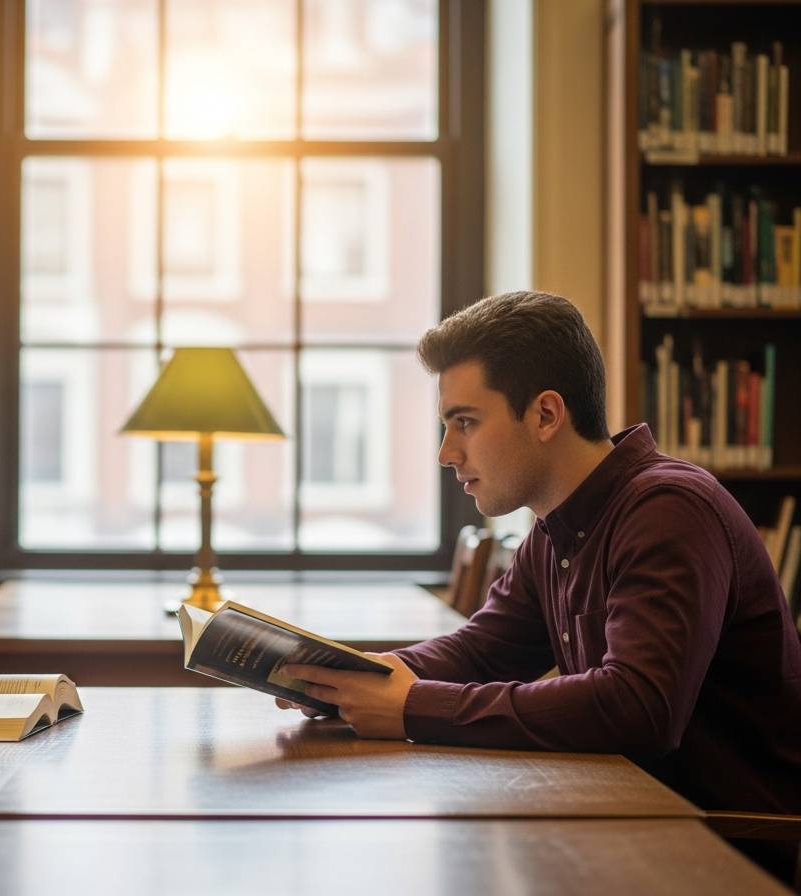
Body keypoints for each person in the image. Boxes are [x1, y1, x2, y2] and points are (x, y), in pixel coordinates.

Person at [278, 291, 801, 875]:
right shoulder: (556, 529)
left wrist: (412, 706)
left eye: (465, 423)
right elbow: (482, 649)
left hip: (728, 851)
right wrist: (349, 680)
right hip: (630, 824)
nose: (446, 453)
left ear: (547, 415)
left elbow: (638, 707)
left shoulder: (669, 510)